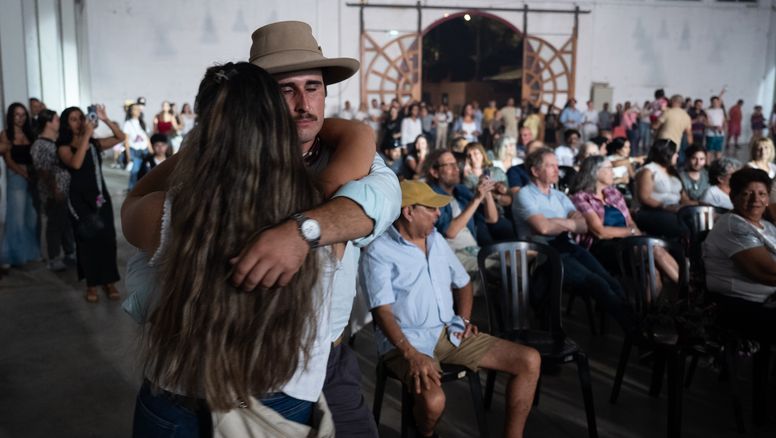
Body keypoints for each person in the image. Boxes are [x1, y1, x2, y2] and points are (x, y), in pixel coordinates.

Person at [124, 21, 401, 437]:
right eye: (285, 90)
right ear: (261, 105)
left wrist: (300, 231)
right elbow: (362, 207)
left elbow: (131, 207)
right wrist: (309, 226)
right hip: (258, 386)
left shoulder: (172, 209)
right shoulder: (330, 191)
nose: (303, 104)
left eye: (313, 87)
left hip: (298, 365)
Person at [361, 180, 541, 438]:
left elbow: (463, 283)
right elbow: (382, 312)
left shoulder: (435, 240)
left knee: (529, 360)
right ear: (408, 211)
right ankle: (424, 432)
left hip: (448, 332)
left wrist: (463, 320)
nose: (439, 214)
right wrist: (411, 353)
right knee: (434, 402)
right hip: (405, 342)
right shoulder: (379, 251)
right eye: (431, 208)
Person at [513, 147, 637, 333]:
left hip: (567, 246)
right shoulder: (525, 195)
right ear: (535, 171)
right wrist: (569, 223)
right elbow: (543, 228)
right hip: (543, 253)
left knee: (610, 281)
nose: (557, 170)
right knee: (597, 283)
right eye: (551, 166)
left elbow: (584, 226)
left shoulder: (559, 196)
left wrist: (557, 222)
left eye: (557, 165)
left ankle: (635, 324)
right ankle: (635, 331)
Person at [570, 156, 679, 284]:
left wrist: (636, 234)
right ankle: (688, 291)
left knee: (652, 269)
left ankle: (653, 304)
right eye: (609, 169)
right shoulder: (581, 198)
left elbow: (630, 221)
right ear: (596, 172)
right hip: (601, 247)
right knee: (653, 249)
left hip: (626, 242)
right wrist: (631, 232)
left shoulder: (613, 193)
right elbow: (600, 232)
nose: (613, 172)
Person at [57, 105, 125, 302]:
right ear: (66, 124)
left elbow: (121, 138)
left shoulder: (94, 143)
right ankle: (92, 284)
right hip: (79, 200)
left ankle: (110, 281)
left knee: (107, 239)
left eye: (81, 117)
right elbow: (76, 163)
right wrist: (86, 135)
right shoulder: (63, 147)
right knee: (87, 241)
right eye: (73, 119)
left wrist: (105, 119)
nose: (79, 122)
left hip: (100, 197)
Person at [703, 168, 776, 342]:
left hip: (766, 302)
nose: (755, 200)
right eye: (747, 194)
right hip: (739, 306)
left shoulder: (766, 226)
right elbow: (766, 272)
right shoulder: (734, 226)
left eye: (762, 194)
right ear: (732, 196)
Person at [30, 109, 76, 271]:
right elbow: (43, 171)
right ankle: (54, 257)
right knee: (55, 224)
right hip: (53, 192)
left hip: (64, 190)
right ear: (48, 123)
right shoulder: (40, 145)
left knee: (65, 223)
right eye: (56, 120)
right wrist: (54, 188)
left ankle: (69, 253)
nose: (59, 123)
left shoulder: (56, 141)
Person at [0, 103, 40, 267]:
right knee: (16, 219)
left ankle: (28, 252)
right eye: (17, 115)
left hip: (32, 178)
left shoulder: (30, 133)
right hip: (16, 178)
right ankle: (13, 255)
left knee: (31, 218)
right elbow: (9, 161)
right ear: (11, 116)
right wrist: (24, 174)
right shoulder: (5, 135)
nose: (21, 118)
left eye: (23, 115)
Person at [633, 139, 693, 239]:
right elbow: (645, 198)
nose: (677, 156)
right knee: (679, 226)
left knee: (698, 220)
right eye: (675, 153)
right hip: (651, 211)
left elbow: (683, 198)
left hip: (673, 210)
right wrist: (665, 206)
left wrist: (697, 204)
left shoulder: (672, 171)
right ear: (667, 154)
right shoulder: (649, 170)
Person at [123, 103, 152, 190]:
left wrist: (151, 150)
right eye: (134, 109)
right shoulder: (128, 124)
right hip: (134, 151)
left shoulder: (142, 123)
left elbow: (147, 138)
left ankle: (145, 189)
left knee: (147, 170)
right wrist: (128, 155)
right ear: (131, 112)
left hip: (145, 150)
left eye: (138, 109)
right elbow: (126, 140)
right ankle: (131, 190)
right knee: (134, 171)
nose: (137, 110)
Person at [705, 96, 726, 162]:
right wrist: (713, 127)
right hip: (710, 134)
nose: (716, 103)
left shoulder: (721, 111)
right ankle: (708, 166)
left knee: (718, 150)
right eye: (714, 102)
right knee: (709, 151)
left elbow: (724, 122)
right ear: (711, 102)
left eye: (717, 102)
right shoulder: (707, 111)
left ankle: (718, 165)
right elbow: (705, 123)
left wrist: (722, 128)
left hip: (720, 134)